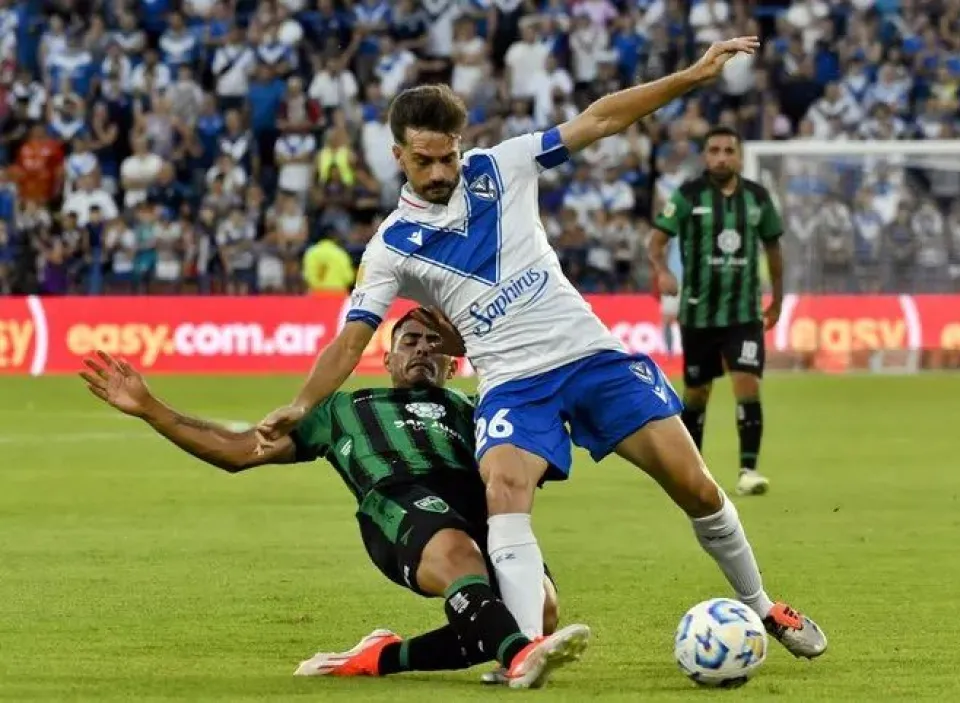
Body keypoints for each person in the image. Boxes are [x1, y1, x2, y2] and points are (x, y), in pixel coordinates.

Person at [255, 38, 827, 660]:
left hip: (588, 355)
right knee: (503, 484)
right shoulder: (391, 247)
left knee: (696, 487)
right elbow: (354, 336)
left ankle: (761, 604)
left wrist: (691, 75)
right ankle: (521, 651)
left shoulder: (503, 166)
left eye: (447, 157)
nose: (440, 172)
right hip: (511, 382)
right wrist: (304, 402)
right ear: (398, 155)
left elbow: (601, 118)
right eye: (424, 161)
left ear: (460, 145)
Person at [78, 311, 588, 689]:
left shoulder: (475, 410)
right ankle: (519, 659)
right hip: (399, 502)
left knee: (539, 610)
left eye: (435, 343)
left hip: (476, 510)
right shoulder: (344, 407)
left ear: (454, 365)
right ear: (387, 358)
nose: (422, 350)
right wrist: (150, 409)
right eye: (410, 340)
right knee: (463, 561)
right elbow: (239, 451)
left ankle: (382, 658)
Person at [651, 126, 785, 497]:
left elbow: (774, 251)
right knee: (697, 394)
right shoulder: (688, 196)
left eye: (729, 150)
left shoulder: (757, 198)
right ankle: (689, 472)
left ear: (740, 156)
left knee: (747, 383)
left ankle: (748, 470)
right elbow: (656, 241)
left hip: (744, 314)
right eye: (714, 150)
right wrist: (661, 271)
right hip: (698, 314)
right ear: (705, 156)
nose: (722, 157)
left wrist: (778, 299)